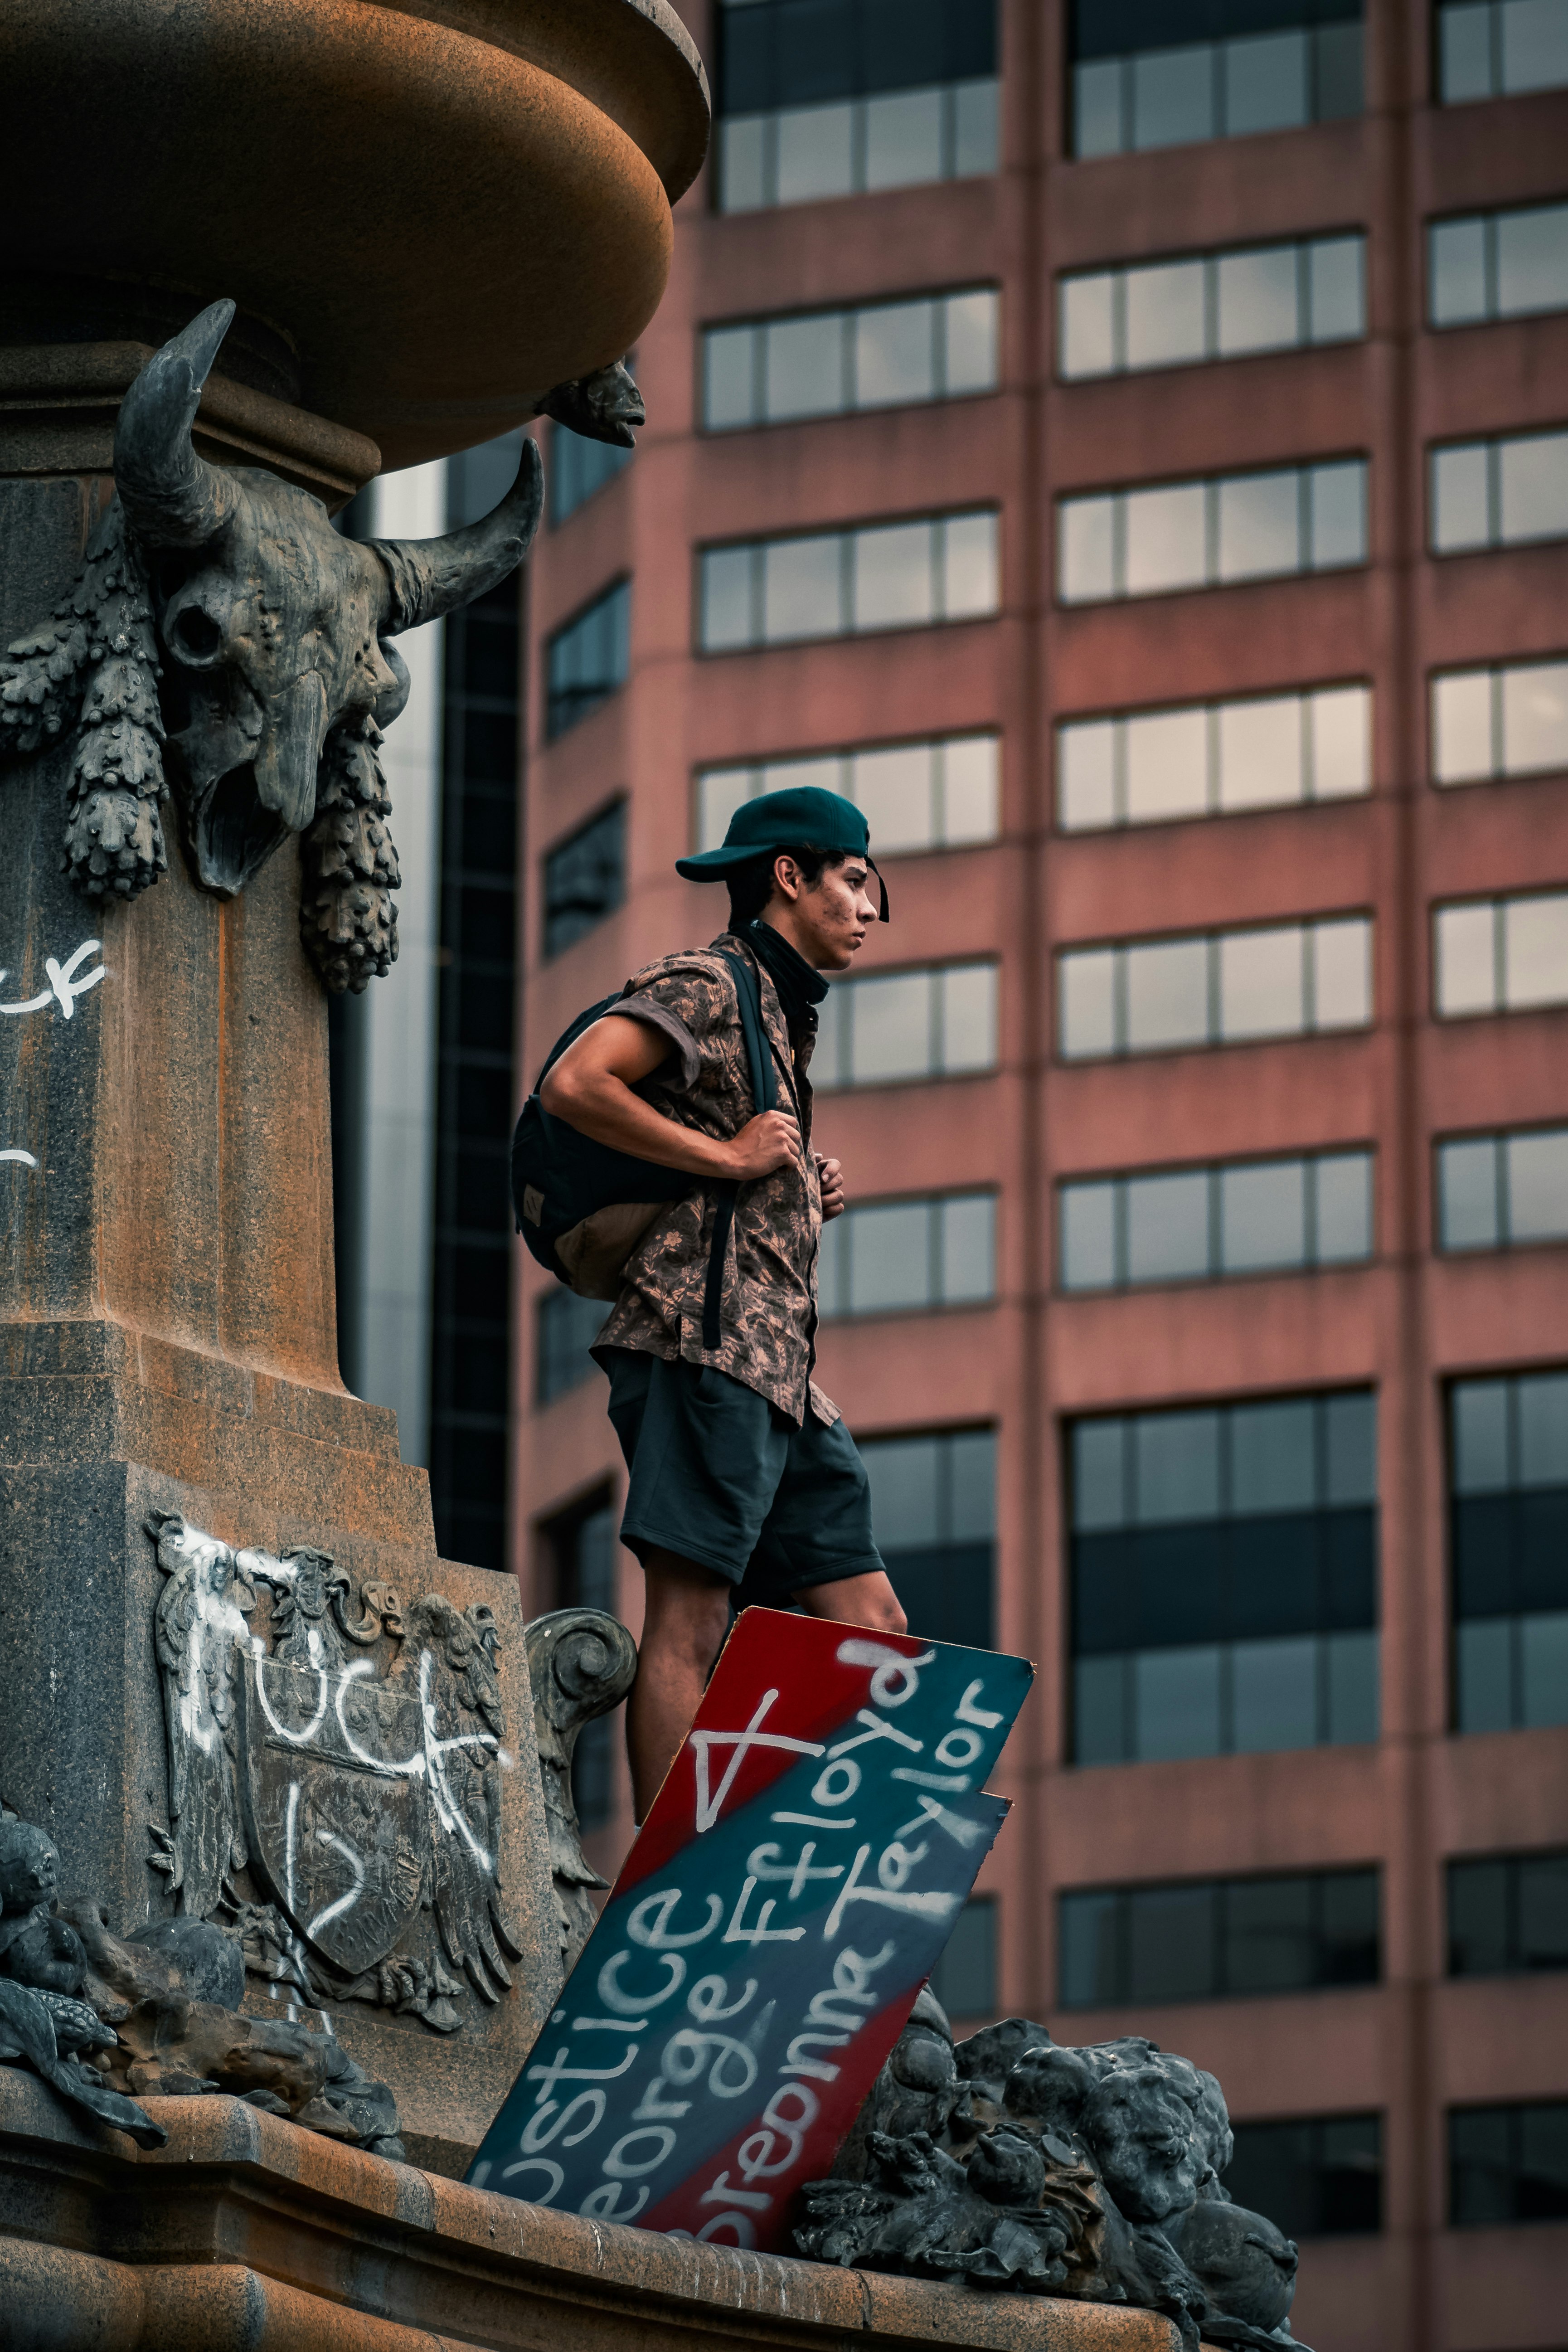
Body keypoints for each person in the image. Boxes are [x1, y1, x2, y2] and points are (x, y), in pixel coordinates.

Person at [539, 785, 908, 1820]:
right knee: (690, 1625)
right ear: (788, 876)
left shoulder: (781, 1018)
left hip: (781, 1375)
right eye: (852, 879)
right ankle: (668, 1901)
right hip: (701, 1355)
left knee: (871, 1625)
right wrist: (730, 1154)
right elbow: (577, 1083)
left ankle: (808, 1880)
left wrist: (792, 1186)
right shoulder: (707, 980)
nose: (868, 903)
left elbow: (734, 1180)